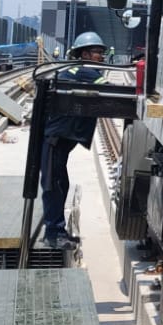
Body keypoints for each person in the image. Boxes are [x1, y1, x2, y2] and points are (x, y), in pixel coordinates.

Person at [40, 31, 110, 248]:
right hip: (55, 139)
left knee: (61, 183)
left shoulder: (75, 70)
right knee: (54, 186)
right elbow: (108, 88)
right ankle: (54, 234)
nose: (101, 56)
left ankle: (57, 231)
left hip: (58, 139)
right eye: (98, 52)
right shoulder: (85, 71)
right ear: (85, 54)